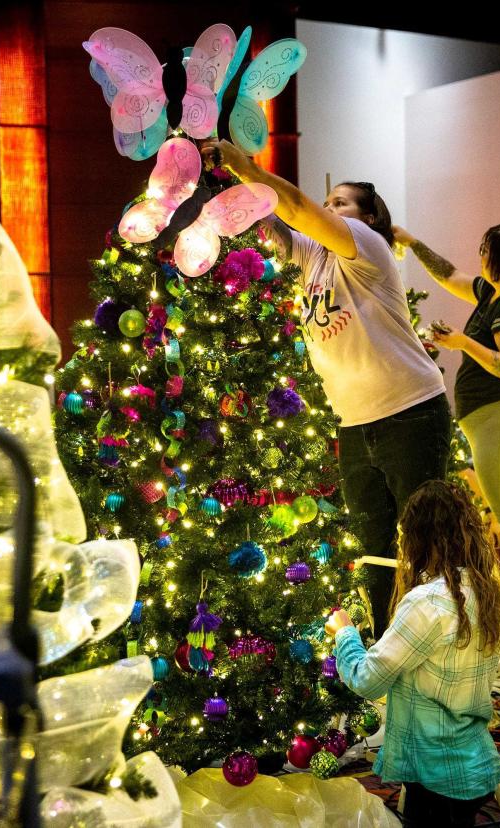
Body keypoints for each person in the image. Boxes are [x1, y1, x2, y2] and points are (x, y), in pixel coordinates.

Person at [201, 139, 451, 634]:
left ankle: (439, 654)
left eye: (341, 202)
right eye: (329, 201)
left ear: (368, 217)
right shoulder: (311, 255)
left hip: (411, 412)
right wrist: (223, 177)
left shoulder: (366, 245)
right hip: (356, 424)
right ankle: (387, 660)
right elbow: (268, 213)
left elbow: (294, 205)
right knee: (376, 552)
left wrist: (242, 161)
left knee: (424, 546)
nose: (330, 208)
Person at [326, 480, 500, 826]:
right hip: (473, 763)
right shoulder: (484, 587)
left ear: (416, 538)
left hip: (436, 774)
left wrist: (345, 632)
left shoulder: (428, 603)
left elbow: (368, 681)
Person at [395, 223, 500, 546]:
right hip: (494, 421)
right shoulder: (494, 293)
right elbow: (449, 276)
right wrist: (412, 242)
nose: (480, 257)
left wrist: (463, 342)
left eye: (485, 250)